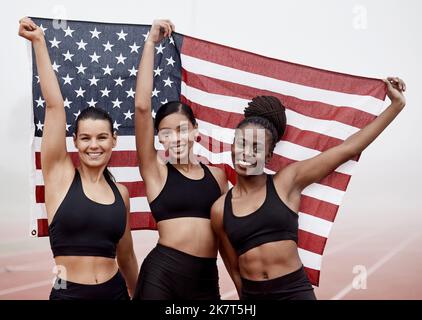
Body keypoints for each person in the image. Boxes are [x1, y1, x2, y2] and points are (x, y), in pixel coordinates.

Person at [211, 79, 406, 300]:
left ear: (268, 155)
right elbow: (234, 270)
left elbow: (348, 148)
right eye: (241, 143)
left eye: (256, 147)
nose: (246, 152)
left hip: (294, 292)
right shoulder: (220, 209)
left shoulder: (287, 182)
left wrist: (396, 106)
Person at [18, 17, 138, 300]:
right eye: (85, 138)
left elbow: (128, 257)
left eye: (101, 137)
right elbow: (54, 105)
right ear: (75, 142)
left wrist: (138, 293)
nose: (93, 145)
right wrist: (39, 43)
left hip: (115, 292)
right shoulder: (59, 176)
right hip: (68, 294)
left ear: (113, 141)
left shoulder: (120, 193)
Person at [132, 20, 228, 300]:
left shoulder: (218, 177)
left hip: (205, 279)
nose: (175, 138)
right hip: (163, 276)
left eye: (182, 129)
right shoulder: (156, 173)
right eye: (166, 133)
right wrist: (150, 44)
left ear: (195, 131)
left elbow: (226, 236)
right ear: (159, 139)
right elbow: (141, 107)